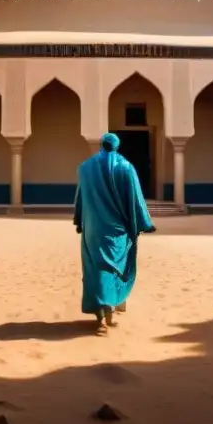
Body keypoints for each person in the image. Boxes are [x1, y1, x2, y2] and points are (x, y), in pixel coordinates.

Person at [74, 132, 156, 335]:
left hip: (93, 229)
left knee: (96, 270)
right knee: (112, 269)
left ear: (101, 144)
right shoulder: (126, 167)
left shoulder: (85, 168)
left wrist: (79, 220)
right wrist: (144, 223)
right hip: (117, 232)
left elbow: (81, 196)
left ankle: (102, 317)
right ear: (117, 146)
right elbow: (135, 198)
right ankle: (107, 317)